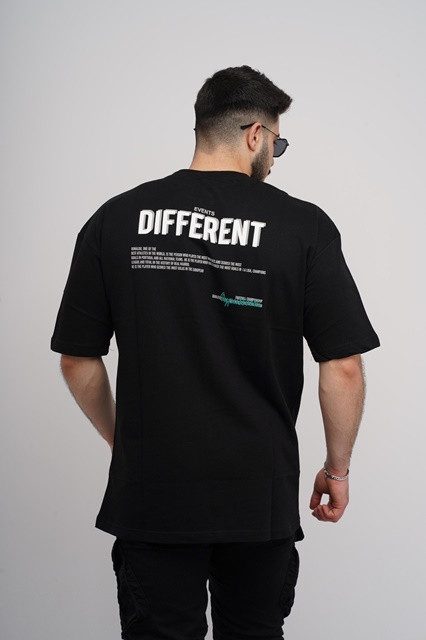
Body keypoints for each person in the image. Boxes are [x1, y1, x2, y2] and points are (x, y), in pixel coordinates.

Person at [50, 65, 380, 639]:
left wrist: (126, 440)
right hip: (258, 495)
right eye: (277, 145)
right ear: (255, 134)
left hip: (153, 493)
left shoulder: (115, 219)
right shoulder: (303, 227)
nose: (274, 158)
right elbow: (343, 365)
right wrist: (337, 469)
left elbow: (77, 358)